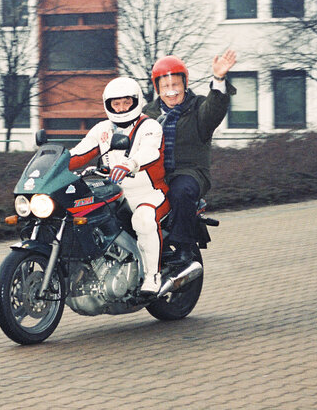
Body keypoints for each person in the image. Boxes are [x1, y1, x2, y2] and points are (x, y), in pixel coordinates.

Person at [68, 77, 170, 294]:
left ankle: (153, 276)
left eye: (126, 102)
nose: (121, 108)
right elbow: (80, 152)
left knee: (143, 219)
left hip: (149, 193)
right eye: (116, 104)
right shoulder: (102, 129)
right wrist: (55, 165)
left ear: (136, 102)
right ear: (108, 105)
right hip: (114, 193)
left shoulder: (149, 126)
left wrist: (130, 164)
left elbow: (150, 152)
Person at [143, 51, 237, 263]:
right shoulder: (147, 113)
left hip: (190, 172)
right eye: (165, 86)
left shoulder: (198, 107)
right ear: (157, 88)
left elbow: (215, 108)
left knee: (181, 190)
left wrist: (219, 79)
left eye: (176, 84)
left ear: (185, 84)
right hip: (153, 174)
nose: (171, 91)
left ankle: (184, 247)